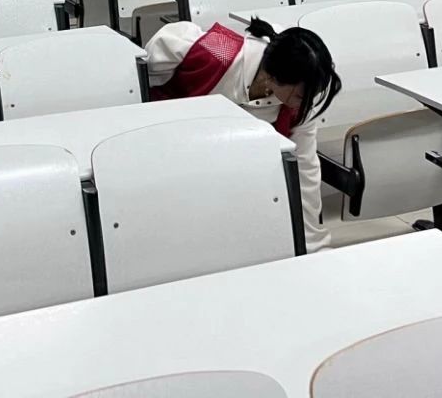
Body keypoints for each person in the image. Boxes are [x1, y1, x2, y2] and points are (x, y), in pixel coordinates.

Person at [145, 19, 342, 252]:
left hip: (226, 177)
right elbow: (147, 65)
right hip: (169, 155)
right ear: (273, 77)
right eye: (300, 96)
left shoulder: (300, 106)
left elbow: (305, 170)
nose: (305, 103)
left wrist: (312, 245)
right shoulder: (215, 53)